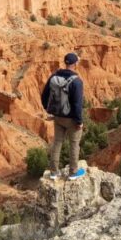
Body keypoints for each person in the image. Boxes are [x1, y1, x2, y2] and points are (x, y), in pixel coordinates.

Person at [41, 52, 85, 180]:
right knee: (74, 144)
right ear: (75, 64)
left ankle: (54, 172)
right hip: (71, 119)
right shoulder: (76, 81)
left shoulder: (54, 77)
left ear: (65, 63)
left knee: (57, 143)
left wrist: (49, 110)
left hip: (58, 117)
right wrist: (79, 121)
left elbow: (44, 95)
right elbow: (77, 104)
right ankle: (73, 172)